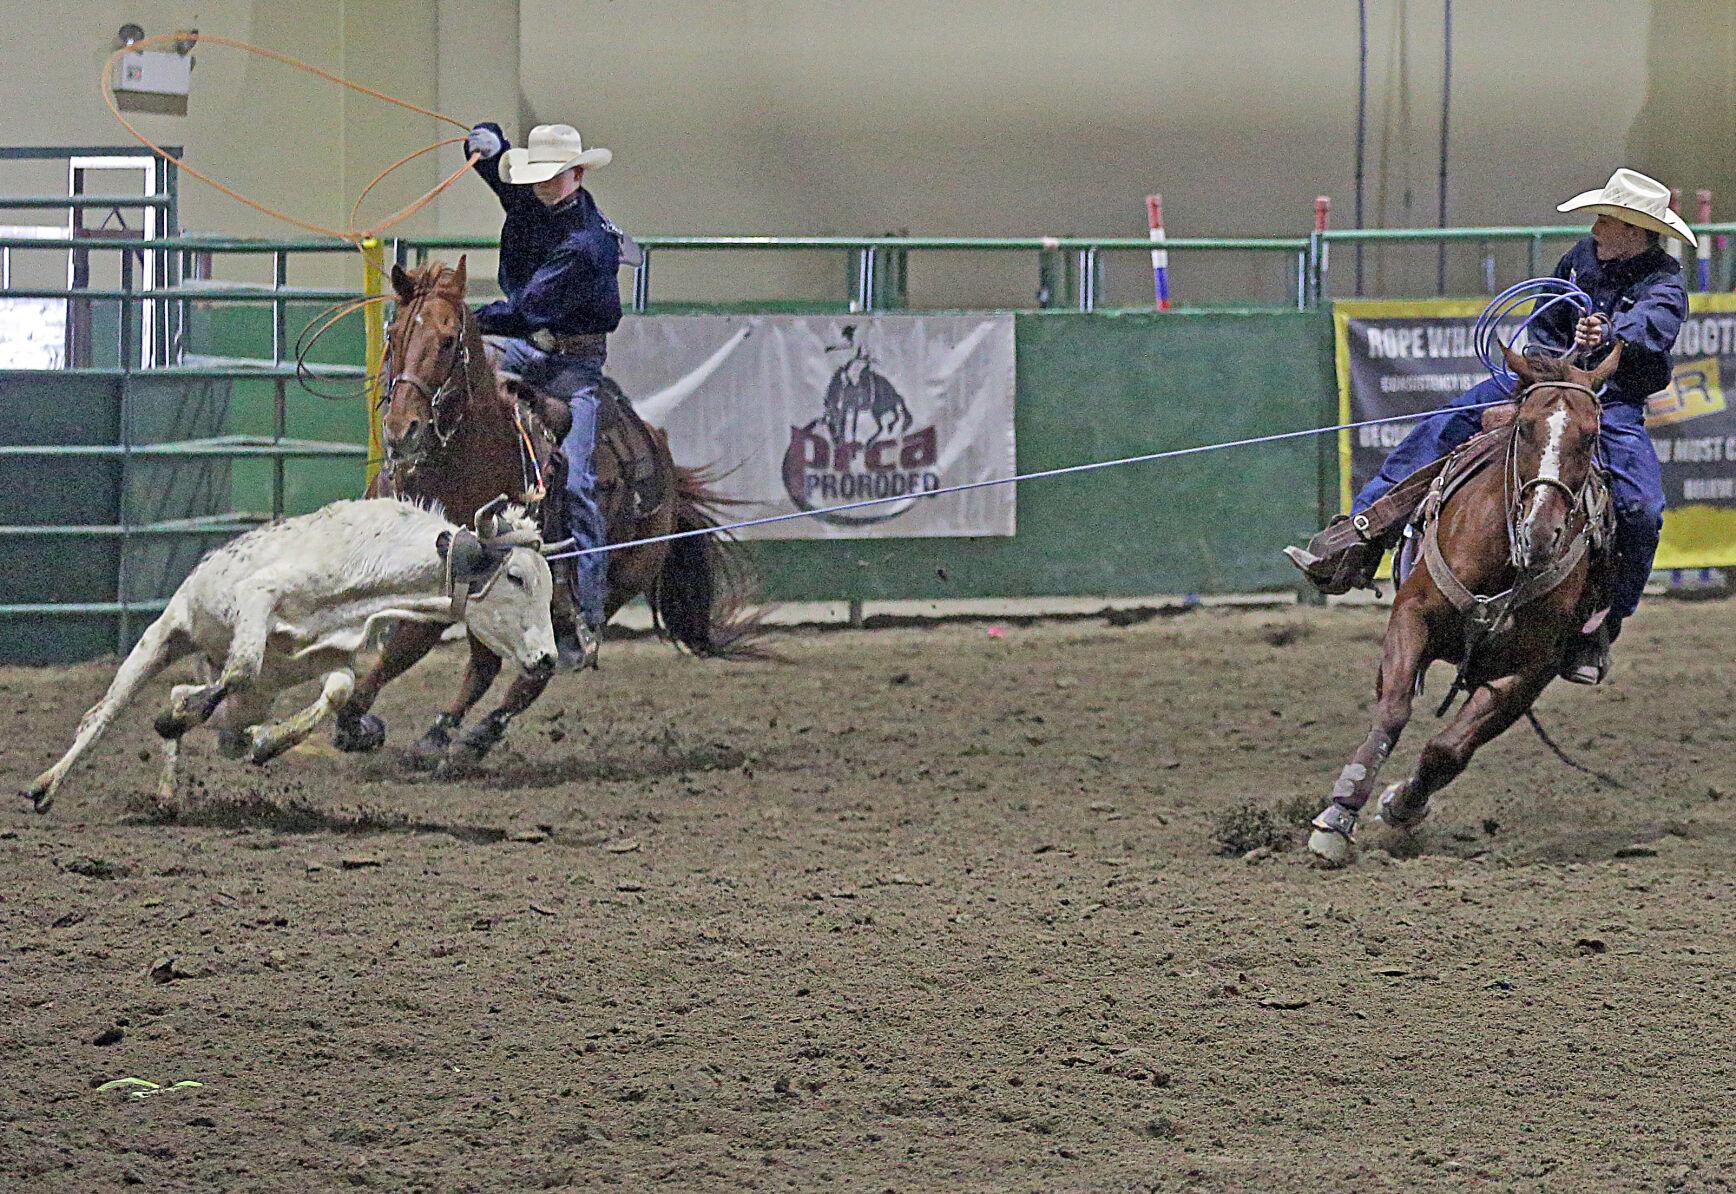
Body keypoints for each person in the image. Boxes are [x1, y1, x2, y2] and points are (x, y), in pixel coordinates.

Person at [1290, 168, 1692, 685]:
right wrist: (1549, 361)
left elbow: (1653, 325)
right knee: (1447, 425)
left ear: (1634, 231)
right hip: (1543, 381)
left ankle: (1602, 624)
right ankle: (1363, 532)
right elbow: (1548, 316)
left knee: (1641, 509)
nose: (1594, 229)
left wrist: (1611, 331)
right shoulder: (1579, 259)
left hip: (1607, 403)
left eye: (1604, 220)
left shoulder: (1663, 281)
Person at [464, 120, 624, 670]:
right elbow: (510, 183)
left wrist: (459, 318)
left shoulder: (587, 245)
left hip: (575, 367)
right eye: (538, 176)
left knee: (579, 480)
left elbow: (524, 308)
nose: (542, 184)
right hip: (528, 347)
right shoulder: (543, 200)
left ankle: (588, 609)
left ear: (576, 175)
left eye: (553, 176)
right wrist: (488, 145)